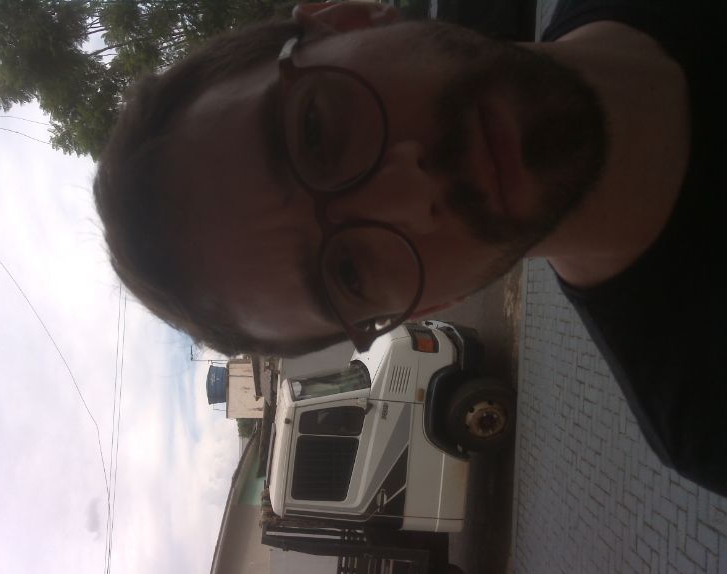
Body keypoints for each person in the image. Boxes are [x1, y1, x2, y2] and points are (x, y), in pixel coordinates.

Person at [94, 0, 726, 496]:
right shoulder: (708, 415)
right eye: (349, 272)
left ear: (350, 18)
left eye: (316, 132)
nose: (410, 193)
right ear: (428, 306)